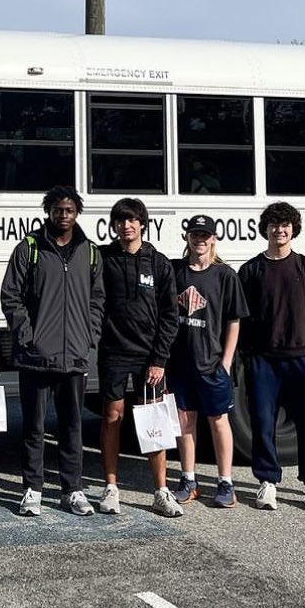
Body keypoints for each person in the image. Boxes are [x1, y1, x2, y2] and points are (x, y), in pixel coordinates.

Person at [0, 185, 104, 517]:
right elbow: (10, 295)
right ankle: (32, 489)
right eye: (58, 210)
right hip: (36, 357)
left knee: (72, 426)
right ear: (48, 211)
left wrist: (89, 335)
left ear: (77, 213)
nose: (63, 215)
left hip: (74, 355)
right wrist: (28, 336)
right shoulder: (29, 248)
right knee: (33, 427)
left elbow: (98, 299)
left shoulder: (90, 252)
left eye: (69, 210)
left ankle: (72, 490)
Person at [237, 201, 305, 512]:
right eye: (274, 224)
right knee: (263, 424)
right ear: (265, 229)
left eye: (285, 225)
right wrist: (249, 356)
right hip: (263, 361)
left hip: (304, 360)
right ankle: (267, 481)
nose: (279, 230)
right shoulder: (251, 270)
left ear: (294, 230)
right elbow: (242, 317)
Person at [96, 197, 181, 518]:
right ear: (114, 225)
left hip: (149, 358)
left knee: (153, 421)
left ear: (143, 224)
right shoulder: (103, 258)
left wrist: (159, 359)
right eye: (120, 220)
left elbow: (170, 316)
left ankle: (161, 491)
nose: (126, 226)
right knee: (112, 416)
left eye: (132, 220)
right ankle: (111, 488)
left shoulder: (158, 263)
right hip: (114, 353)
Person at [169, 214, 248, 509]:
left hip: (212, 363)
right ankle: (188, 480)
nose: (199, 240)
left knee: (218, 421)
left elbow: (234, 320)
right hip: (181, 363)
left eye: (205, 235)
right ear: (187, 238)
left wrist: (226, 361)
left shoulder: (225, 275)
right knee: (184, 421)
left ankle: (226, 482)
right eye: (195, 235)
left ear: (214, 239)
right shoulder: (177, 272)